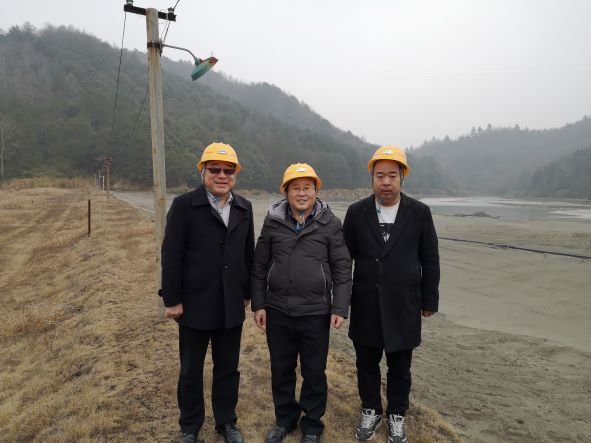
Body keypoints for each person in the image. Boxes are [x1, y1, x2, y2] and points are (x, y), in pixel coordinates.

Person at [342, 147, 440, 443]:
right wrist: (341, 302)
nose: (386, 181)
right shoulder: (356, 212)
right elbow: (344, 260)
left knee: (400, 367)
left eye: (392, 176)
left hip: (404, 304)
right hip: (366, 303)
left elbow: (430, 259)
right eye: (380, 175)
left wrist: (429, 300)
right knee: (366, 364)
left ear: (402, 178)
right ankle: (371, 410)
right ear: (372, 178)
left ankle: (397, 415)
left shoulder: (419, 212)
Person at [159, 143, 254, 443]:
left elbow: (247, 254)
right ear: (203, 172)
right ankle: (190, 426)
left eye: (228, 170)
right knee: (191, 370)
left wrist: (247, 292)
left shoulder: (244, 207)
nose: (222, 175)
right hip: (194, 304)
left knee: (228, 369)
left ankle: (226, 422)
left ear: (235, 175)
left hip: (230, 305)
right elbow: (171, 254)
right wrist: (172, 299)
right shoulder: (184, 205)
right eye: (215, 170)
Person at [251, 163, 352, 443]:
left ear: (316, 191)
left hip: (315, 312)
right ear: (286, 192)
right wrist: (259, 304)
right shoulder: (273, 221)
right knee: (281, 369)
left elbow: (342, 268)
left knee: (314, 371)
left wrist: (339, 308)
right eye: (295, 188)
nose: (302, 193)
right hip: (278, 309)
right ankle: (285, 419)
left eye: (307, 187)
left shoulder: (331, 223)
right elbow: (259, 265)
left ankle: (312, 425)